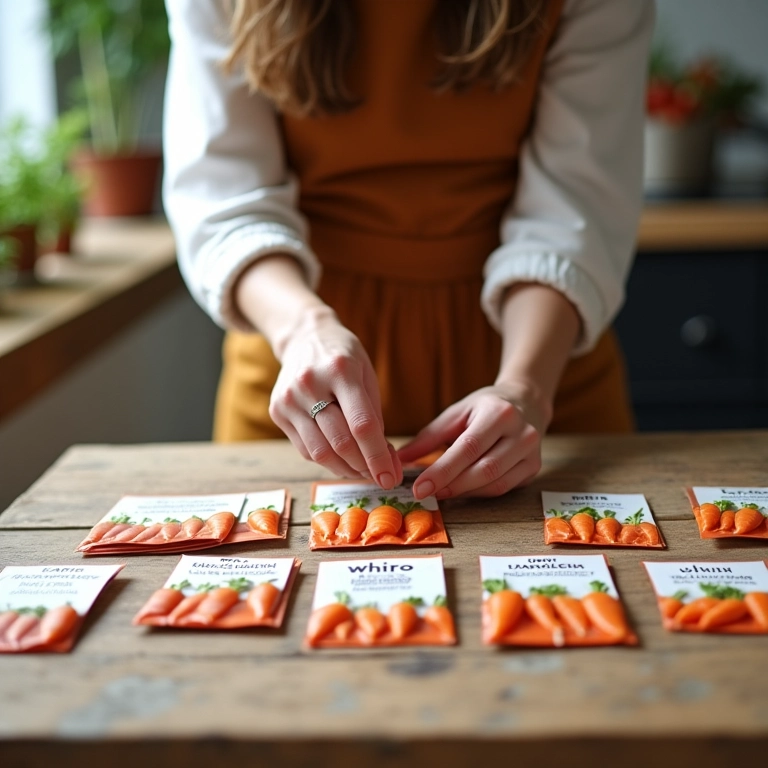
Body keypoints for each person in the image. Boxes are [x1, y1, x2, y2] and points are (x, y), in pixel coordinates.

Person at [163, 0, 654, 500]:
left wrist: (524, 390)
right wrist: (302, 330)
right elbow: (222, 195)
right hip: (302, 376)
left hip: (541, 362)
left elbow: (576, 204)